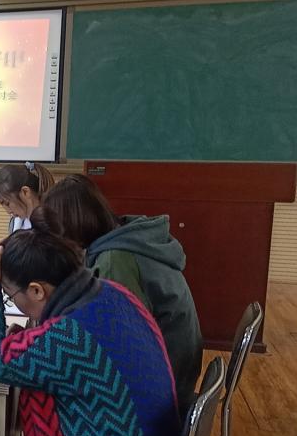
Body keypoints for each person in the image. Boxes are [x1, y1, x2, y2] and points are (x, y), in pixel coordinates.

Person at [0, 208, 180, 436]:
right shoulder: (113, 292)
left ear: (37, 291)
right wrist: (29, 338)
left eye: (8, 295)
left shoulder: (69, 337)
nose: (9, 300)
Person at [41, 174, 203, 411]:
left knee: (52, 387)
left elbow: (119, 346)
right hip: (175, 369)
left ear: (72, 226)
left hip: (159, 390)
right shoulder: (127, 237)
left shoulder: (115, 260)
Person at [0, 162, 55, 233]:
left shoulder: (54, 223)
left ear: (25, 192)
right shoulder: (15, 224)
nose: (8, 211)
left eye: (7, 203)